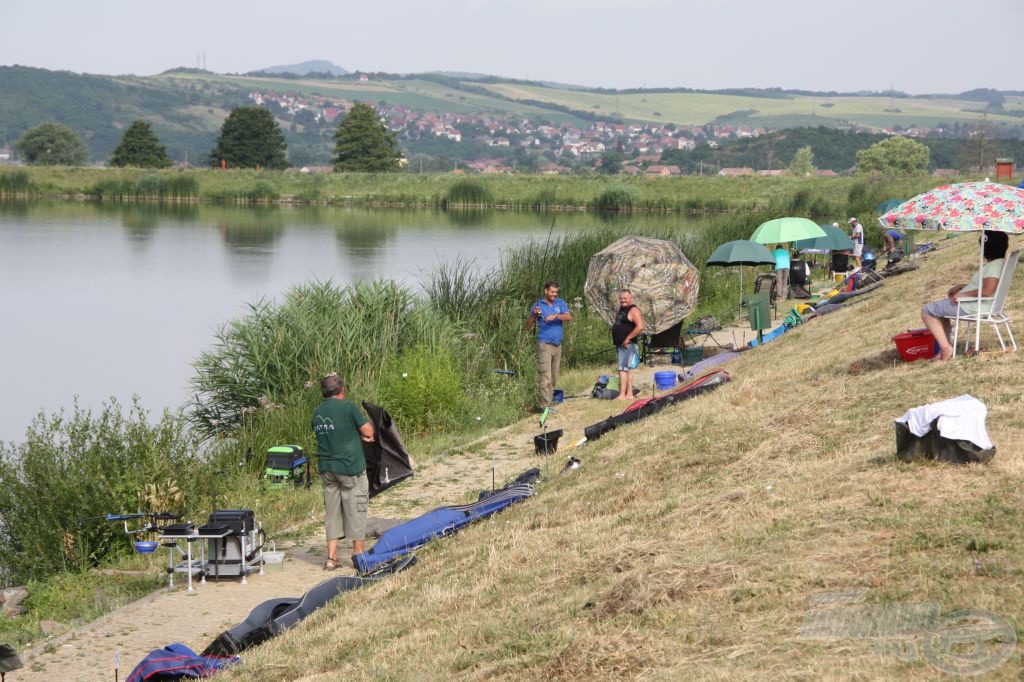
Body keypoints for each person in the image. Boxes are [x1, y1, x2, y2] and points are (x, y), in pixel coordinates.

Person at [312, 373, 374, 570]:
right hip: (349, 468)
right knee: (356, 508)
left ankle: (331, 558)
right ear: (342, 390)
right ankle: (359, 556)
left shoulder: (317, 412)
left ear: (323, 393)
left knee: (332, 513)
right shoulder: (348, 407)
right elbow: (368, 432)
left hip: (326, 470)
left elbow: (332, 432)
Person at [921, 231, 1008, 362]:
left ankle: (946, 348)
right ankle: (945, 347)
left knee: (927, 311)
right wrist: (963, 286)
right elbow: (988, 286)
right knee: (939, 311)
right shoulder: (1000, 263)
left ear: (985, 248)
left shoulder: (993, 267)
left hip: (973, 307)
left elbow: (988, 291)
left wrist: (964, 294)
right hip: (981, 304)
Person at [525, 280, 571, 410]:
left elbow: (568, 317)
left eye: (556, 292)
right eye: (552, 292)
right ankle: (545, 406)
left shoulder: (560, 303)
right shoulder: (538, 306)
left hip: (558, 345)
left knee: (553, 378)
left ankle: (549, 403)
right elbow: (527, 327)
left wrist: (556, 315)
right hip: (544, 345)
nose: (554, 294)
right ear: (546, 291)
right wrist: (533, 315)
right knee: (545, 377)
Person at [611, 289, 644, 400]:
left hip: (627, 345)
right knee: (627, 369)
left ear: (631, 298)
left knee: (622, 369)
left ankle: (622, 395)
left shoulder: (634, 310)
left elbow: (640, 326)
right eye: (621, 298)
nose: (623, 300)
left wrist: (628, 338)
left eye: (625, 298)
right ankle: (629, 394)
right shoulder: (622, 309)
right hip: (620, 344)